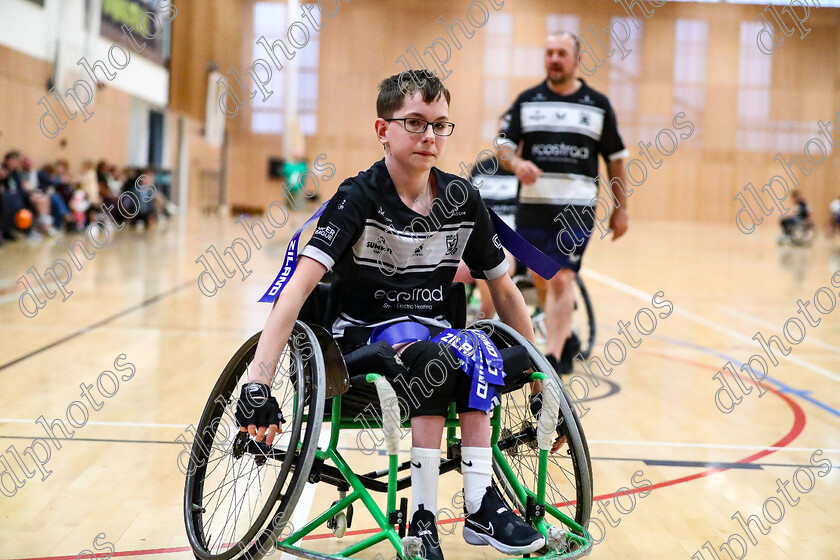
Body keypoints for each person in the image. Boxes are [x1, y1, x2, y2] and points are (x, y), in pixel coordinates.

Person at [236, 70, 547, 560]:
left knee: (471, 348)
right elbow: (295, 291)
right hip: (363, 348)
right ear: (383, 131)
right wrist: (259, 381)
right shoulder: (357, 198)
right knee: (446, 353)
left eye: (440, 125)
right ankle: (447, 511)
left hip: (438, 347)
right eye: (416, 123)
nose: (430, 136)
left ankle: (458, 512)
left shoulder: (461, 199)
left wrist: (537, 374)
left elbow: (504, 291)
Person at [497, 31, 630, 373]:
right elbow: (503, 146)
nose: (554, 58)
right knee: (543, 279)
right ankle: (565, 333)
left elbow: (615, 158)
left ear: (577, 60)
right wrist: (516, 163)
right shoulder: (527, 101)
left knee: (560, 278)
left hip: (576, 211)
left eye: (561, 53)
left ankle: (554, 358)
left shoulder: (597, 105)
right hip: (532, 210)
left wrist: (621, 206)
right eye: (549, 53)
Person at [452, 142, 518, 319]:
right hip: (479, 237)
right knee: (445, 264)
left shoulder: (525, 172)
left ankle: (484, 321)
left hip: (514, 245)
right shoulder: (483, 167)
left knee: (487, 260)